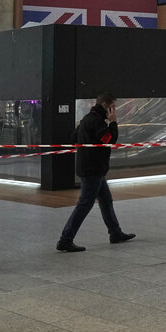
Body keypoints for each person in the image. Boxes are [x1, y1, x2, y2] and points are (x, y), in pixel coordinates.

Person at [57, 93, 135, 252]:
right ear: (107, 106)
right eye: (114, 107)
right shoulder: (97, 121)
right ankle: (65, 239)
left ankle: (115, 232)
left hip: (92, 168)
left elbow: (73, 137)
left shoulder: (87, 119)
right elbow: (109, 140)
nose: (115, 111)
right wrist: (113, 123)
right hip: (93, 170)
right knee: (84, 204)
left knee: (106, 200)